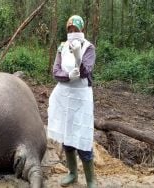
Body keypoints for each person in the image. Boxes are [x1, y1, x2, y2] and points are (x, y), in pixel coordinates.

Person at [47, 15, 96, 188]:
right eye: (70, 30)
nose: (73, 33)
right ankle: (73, 173)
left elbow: (86, 72)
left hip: (81, 97)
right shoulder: (62, 47)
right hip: (65, 95)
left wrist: (78, 58)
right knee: (67, 136)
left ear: (82, 30)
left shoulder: (89, 47)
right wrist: (67, 76)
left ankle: (91, 180)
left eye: (76, 30)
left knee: (82, 137)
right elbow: (55, 71)